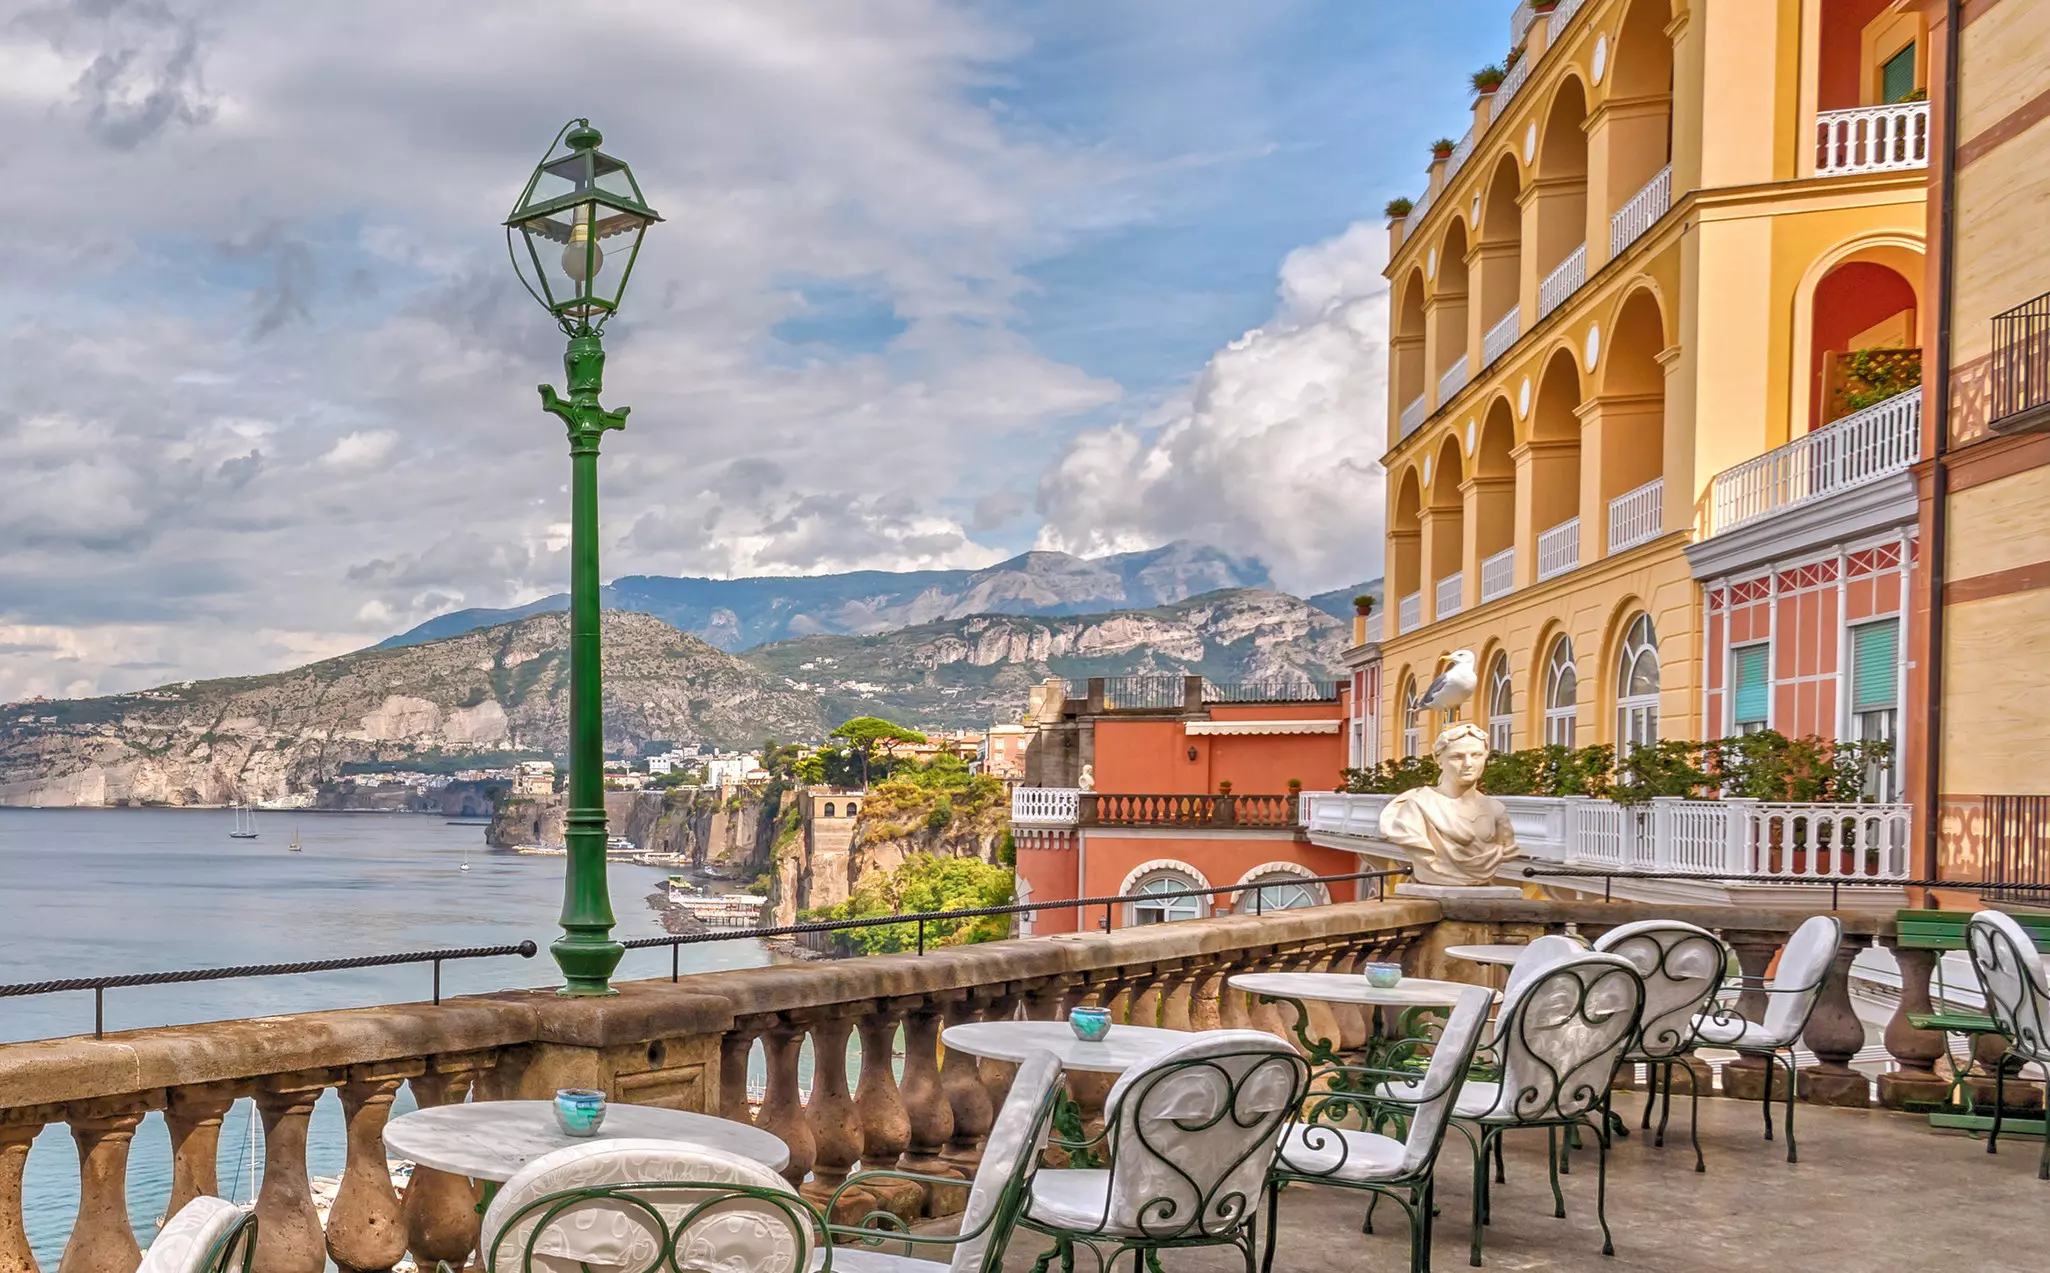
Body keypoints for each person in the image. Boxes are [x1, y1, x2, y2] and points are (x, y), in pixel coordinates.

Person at [1377, 723, 1520, 886]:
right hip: (1434, 881)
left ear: (1485, 757)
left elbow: (1508, 848)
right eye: (1457, 757)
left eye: (1476, 755)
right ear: (1438, 760)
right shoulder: (1418, 806)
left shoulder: (1496, 810)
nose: (1468, 763)